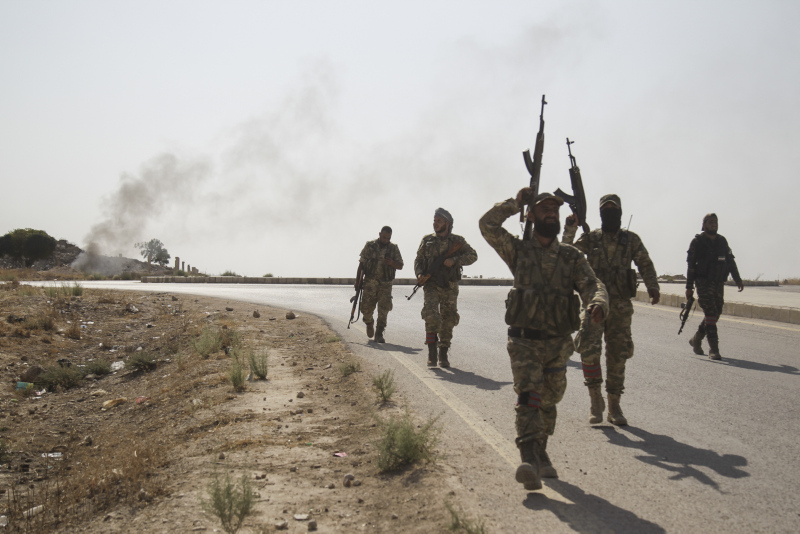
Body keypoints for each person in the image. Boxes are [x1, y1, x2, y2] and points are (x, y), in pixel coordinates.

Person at [479, 189, 608, 491]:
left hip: (558, 343)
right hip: (524, 341)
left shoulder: (571, 256)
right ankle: (528, 459)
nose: (551, 213)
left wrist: (597, 303)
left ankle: (540, 449)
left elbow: (592, 284)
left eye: (555, 209)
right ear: (532, 215)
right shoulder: (518, 250)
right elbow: (487, 225)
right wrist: (514, 203)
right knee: (529, 395)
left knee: (550, 400)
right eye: (544, 209)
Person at [562, 194, 660, 426]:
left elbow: (645, 263)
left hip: (620, 306)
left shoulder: (631, 240)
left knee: (618, 355)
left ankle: (614, 405)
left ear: (620, 212)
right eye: (605, 210)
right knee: (589, 349)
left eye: (613, 209)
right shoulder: (592, 238)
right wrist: (570, 228)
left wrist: (653, 286)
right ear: (600, 213)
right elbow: (565, 255)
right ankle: (595, 400)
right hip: (594, 303)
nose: (610, 213)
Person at [413, 208, 477, 368]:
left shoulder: (457, 241)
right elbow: (418, 260)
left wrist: (455, 260)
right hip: (431, 284)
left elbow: (473, 255)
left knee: (448, 319)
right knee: (431, 315)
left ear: (447, 223)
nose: (435, 224)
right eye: (434, 220)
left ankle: (443, 352)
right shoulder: (427, 240)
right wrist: (419, 274)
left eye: (439, 221)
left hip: (449, 285)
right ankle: (432, 352)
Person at [685, 213, 743, 360]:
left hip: (718, 283)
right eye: (710, 222)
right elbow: (691, 266)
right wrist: (689, 287)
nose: (714, 224)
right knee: (710, 313)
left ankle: (696, 338)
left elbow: (730, 261)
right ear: (704, 224)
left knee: (716, 313)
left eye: (715, 222)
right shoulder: (697, 242)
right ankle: (714, 349)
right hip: (703, 282)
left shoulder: (722, 241)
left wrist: (737, 279)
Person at [357, 226, 404, 343]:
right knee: (366, 309)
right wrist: (357, 281)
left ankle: (379, 333)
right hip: (370, 283)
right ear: (379, 234)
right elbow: (361, 264)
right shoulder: (370, 246)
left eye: (388, 238)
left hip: (386, 284)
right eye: (384, 237)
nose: (385, 240)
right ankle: (369, 323)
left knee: (384, 310)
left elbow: (400, 265)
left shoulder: (393, 248)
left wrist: (392, 263)